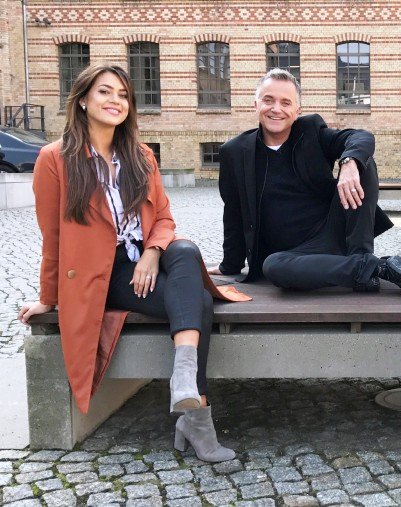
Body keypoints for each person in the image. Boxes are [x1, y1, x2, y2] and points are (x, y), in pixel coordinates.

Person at [18, 64, 247, 463]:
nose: (116, 101)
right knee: (199, 302)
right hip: (102, 275)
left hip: (143, 262)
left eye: (123, 95)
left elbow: (164, 218)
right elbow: (52, 237)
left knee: (185, 251)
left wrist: (152, 254)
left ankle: (184, 382)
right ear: (83, 100)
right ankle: (196, 416)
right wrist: (48, 297)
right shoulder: (54, 159)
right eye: (105, 92)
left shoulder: (140, 155)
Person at [209, 68, 401, 297]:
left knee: (363, 161)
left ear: (297, 111)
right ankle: (374, 268)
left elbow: (361, 137)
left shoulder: (311, 131)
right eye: (268, 100)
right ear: (256, 105)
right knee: (273, 268)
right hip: (292, 256)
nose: (276, 109)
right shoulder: (235, 152)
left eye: (285, 102)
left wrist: (349, 162)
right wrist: (229, 265)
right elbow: (233, 213)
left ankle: (361, 259)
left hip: (336, 231)